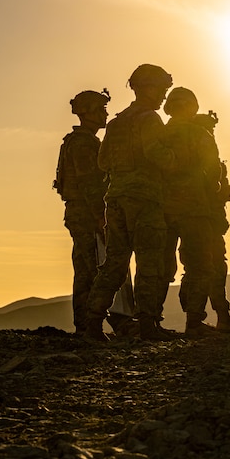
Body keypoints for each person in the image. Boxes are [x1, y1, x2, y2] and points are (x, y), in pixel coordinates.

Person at [81, 64, 179, 342]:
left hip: (116, 198)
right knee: (150, 261)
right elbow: (156, 154)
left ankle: (93, 324)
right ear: (147, 88)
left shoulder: (116, 122)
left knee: (114, 263)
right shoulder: (150, 119)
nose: (163, 95)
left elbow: (102, 162)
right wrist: (176, 159)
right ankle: (148, 325)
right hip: (144, 198)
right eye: (161, 88)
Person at [161, 87, 230, 337]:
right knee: (205, 267)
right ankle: (196, 321)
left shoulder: (161, 134)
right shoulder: (197, 137)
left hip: (169, 211)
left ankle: (154, 321)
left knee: (176, 266)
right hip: (198, 212)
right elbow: (213, 179)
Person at [54, 89, 112, 332]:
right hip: (86, 214)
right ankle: (89, 326)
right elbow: (89, 184)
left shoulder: (79, 141)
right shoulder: (84, 144)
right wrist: (101, 215)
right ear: (87, 112)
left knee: (87, 266)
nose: (105, 114)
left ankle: (87, 324)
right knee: (90, 268)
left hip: (81, 212)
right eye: (100, 109)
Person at [191, 109, 230, 334]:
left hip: (211, 220)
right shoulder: (195, 158)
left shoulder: (211, 160)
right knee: (202, 268)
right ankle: (196, 319)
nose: (211, 132)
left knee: (216, 268)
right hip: (199, 219)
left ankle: (220, 317)